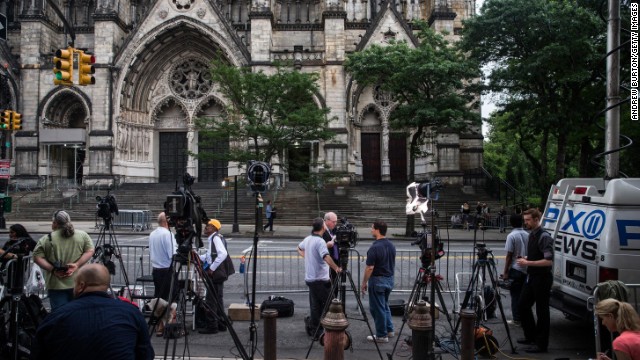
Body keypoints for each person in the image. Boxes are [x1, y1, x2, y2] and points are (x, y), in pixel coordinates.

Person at [31, 263, 154, 360]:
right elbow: (146, 353)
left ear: (80, 285)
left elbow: (38, 353)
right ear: (106, 285)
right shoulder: (131, 312)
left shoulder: (57, 316)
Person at [33, 210, 95, 311]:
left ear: (55, 223)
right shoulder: (82, 235)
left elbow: (37, 257)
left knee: (60, 315)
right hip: (79, 282)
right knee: (79, 312)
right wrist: (77, 265)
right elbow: (90, 251)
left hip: (56, 284)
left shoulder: (46, 239)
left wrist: (53, 270)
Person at [516, 208, 554, 353]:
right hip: (532, 276)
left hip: (542, 278)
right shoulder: (532, 234)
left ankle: (541, 344)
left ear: (536, 220)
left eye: (528, 220)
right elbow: (537, 257)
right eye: (525, 220)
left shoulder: (544, 236)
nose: (526, 223)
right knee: (523, 305)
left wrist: (528, 263)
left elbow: (548, 261)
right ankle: (531, 336)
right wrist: (527, 259)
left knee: (542, 311)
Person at [298, 217, 342, 338]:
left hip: (311, 279)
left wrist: (307, 256)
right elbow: (326, 257)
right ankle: (320, 327)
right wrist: (336, 268)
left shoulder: (308, 239)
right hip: (320, 279)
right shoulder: (320, 241)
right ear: (323, 227)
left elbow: (299, 247)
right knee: (331, 305)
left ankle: (314, 329)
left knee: (316, 305)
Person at [361, 219, 396, 343]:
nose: (371, 230)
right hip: (389, 279)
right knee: (385, 306)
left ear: (377, 230)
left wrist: (364, 282)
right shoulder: (391, 245)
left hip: (378, 281)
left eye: (372, 228)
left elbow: (370, 267)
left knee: (377, 308)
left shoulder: (374, 247)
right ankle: (389, 330)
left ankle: (381, 335)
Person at [199, 219, 231, 334]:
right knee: (218, 299)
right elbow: (210, 256)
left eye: (208, 226)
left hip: (215, 275)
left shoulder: (215, 238)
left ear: (213, 228)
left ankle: (212, 326)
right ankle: (221, 323)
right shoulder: (215, 238)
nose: (205, 227)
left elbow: (222, 254)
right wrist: (199, 256)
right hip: (219, 275)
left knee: (211, 300)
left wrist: (211, 268)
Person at [501, 214, 528, 325]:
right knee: (523, 295)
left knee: (515, 295)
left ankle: (517, 318)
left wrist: (505, 272)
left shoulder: (511, 236)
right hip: (526, 268)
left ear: (511, 223)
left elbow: (509, 255)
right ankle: (523, 317)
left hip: (516, 268)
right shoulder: (528, 235)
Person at [149, 212, 177, 301]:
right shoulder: (168, 234)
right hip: (166, 271)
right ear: (167, 221)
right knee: (169, 299)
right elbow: (172, 254)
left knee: (159, 298)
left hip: (156, 270)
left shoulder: (152, 234)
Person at [323, 212, 340, 295]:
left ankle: (335, 301)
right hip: (327, 261)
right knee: (327, 285)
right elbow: (317, 246)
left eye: (336, 221)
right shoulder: (321, 230)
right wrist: (327, 245)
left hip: (336, 260)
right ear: (327, 220)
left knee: (335, 284)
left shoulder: (335, 230)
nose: (335, 224)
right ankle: (327, 304)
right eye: (333, 222)